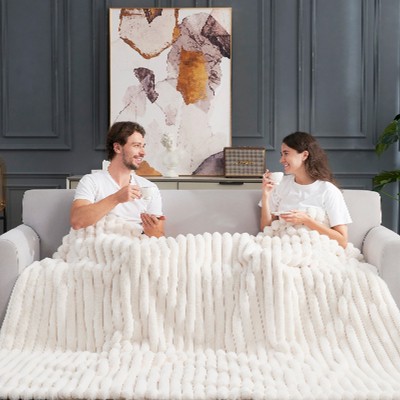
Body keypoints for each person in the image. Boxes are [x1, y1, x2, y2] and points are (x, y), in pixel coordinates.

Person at [70, 121, 165, 237]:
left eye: (143, 146)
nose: (143, 152)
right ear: (117, 148)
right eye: (136, 146)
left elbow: (159, 236)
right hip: (102, 244)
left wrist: (152, 230)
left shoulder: (149, 188)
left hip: (136, 244)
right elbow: (77, 221)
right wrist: (116, 198)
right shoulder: (91, 181)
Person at [260, 131, 352, 248]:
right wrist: (266, 195)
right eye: (281, 154)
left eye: (286, 153)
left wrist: (307, 221)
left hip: (314, 248)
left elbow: (342, 241)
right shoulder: (281, 185)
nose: (281, 160)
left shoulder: (328, 190)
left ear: (304, 155)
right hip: (283, 246)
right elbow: (265, 229)